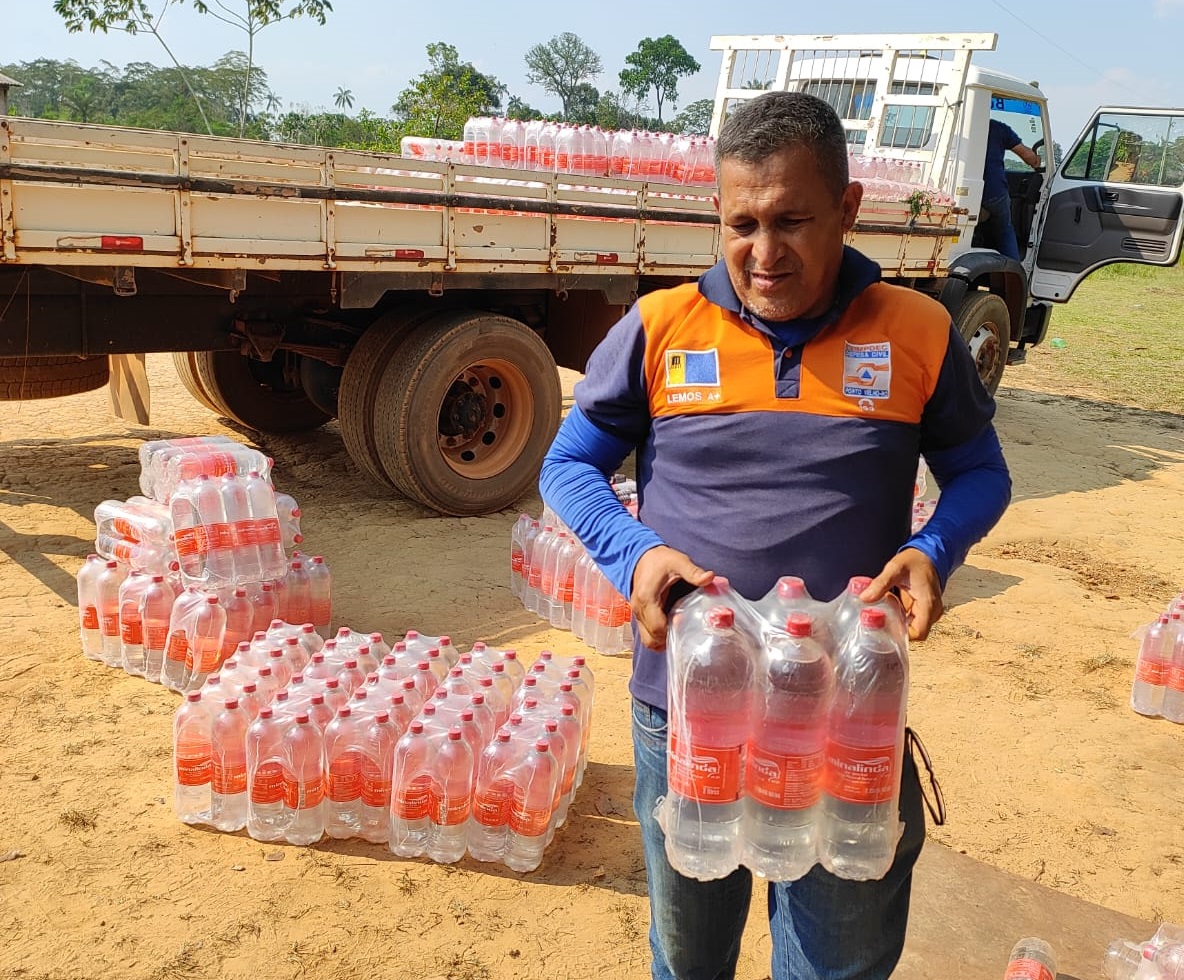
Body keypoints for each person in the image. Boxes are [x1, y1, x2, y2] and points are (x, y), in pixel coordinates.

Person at [539, 91, 1012, 980]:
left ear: (848, 208)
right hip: (687, 711)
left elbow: (982, 472)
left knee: (835, 964)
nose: (764, 253)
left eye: (792, 220)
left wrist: (933, 549)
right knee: (688, 958)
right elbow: (567, 465)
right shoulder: (659, 328)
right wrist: (635, 553)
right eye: (741, 223)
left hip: (846, 719)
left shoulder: (917, 331)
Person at [980, 117, 1042, 261]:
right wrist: (1036, 161)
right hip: (993, 192)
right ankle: (1013, 271)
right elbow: (1028, 156)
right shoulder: (998, 128)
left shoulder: (959, 123)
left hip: (966, 192)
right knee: (1005, 230)